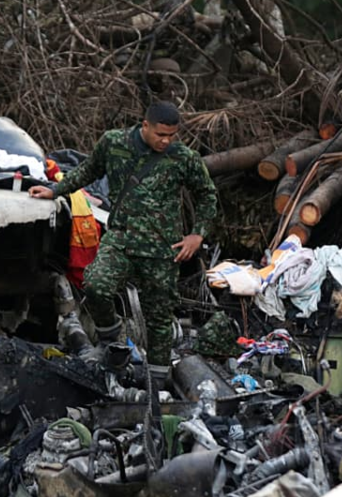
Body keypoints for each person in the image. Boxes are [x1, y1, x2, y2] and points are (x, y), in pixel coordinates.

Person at [29, 101, 218, 388]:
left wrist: (197, 235)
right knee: (95, 284)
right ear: (145, 126)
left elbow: (207, 194)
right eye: (160, 135)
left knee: (159, 317)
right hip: (121, 239)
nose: (166, 141)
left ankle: (156, 384)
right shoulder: (114, 143)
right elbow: (88, 171)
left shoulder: (183, 158)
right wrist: (54, 190)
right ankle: (111, 338)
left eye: (171, 136)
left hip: (163, 248)